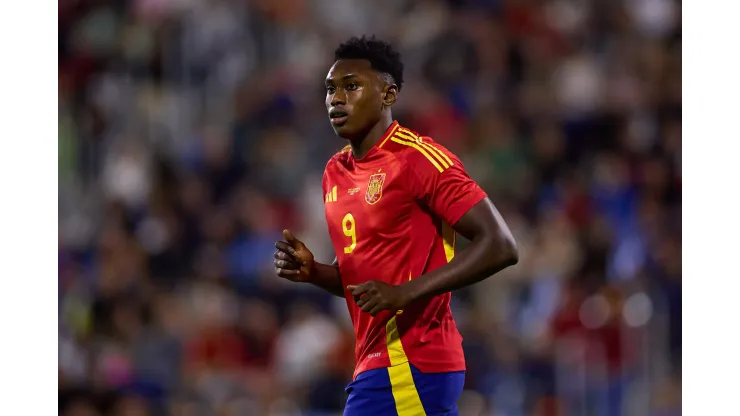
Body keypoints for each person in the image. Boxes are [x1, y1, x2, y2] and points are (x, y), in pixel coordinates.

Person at [273, 35, 518, 416]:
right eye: (330, 89)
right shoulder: (334, 173)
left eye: (351, 86)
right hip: (378, 361)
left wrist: (406, 293)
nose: (336, 99)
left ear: (388, 95)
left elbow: (501, 244)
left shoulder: (418, 159)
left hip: (411, 359)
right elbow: (370, 286)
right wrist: (316, 273)